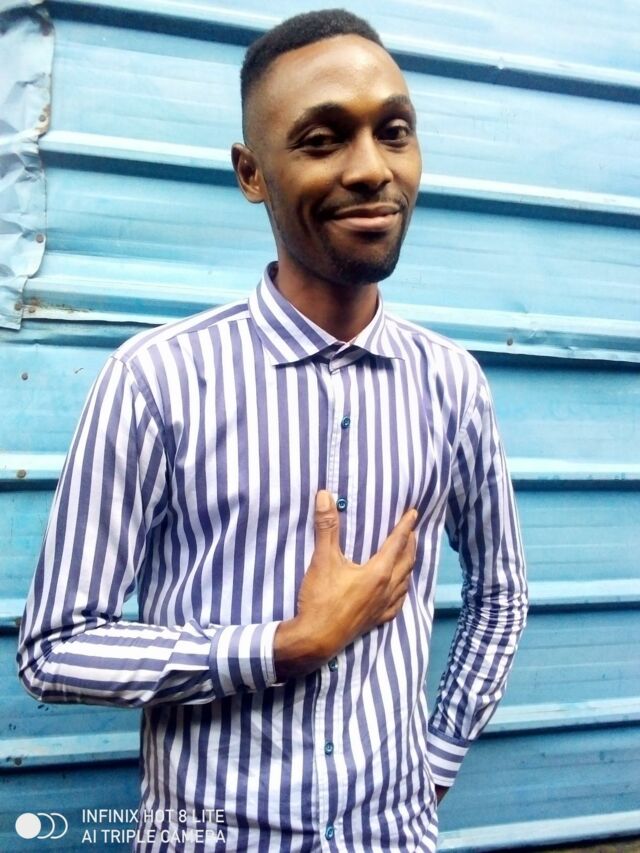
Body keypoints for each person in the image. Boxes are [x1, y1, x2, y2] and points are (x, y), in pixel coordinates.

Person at [18, 9, 527, 852]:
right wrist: (283, 647)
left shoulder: (453, 383)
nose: (371, 169)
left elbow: (501, 594)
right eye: (323, 140)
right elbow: (54, 649)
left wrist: (435, 761)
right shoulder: (157, 379)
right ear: (251, 173)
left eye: (393, 132)